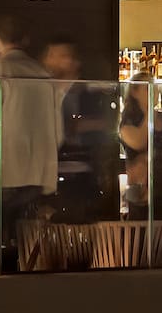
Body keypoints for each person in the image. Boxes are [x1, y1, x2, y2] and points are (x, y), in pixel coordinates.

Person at [0, 14, 61, 242]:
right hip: (35, 175)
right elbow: (56, 129)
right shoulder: (43, 74)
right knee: (25, 244)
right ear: (26, 39)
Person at [40, 36, 116, 220]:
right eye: (50, 55)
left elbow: (108, 124)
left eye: (60, 55)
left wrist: (77, 126)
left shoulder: (92, 91)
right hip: (46, 175)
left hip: (80, 176)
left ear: (75, 61)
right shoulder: (43, 91)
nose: (51, 60)